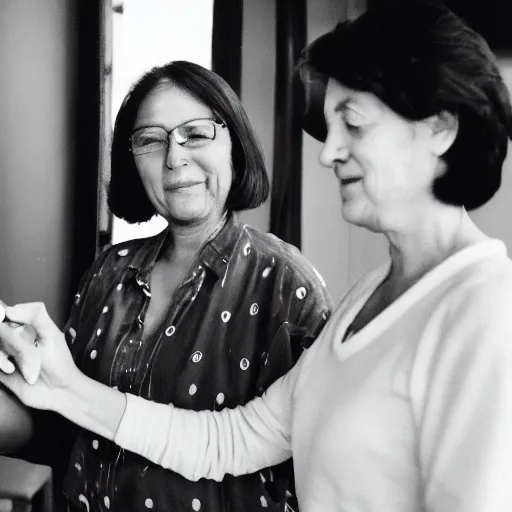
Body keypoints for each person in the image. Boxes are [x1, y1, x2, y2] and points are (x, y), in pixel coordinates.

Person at [0, 61, 332, 512]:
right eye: (150, 140)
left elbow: (320, 473)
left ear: (234, 142)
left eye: (195, 133)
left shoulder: (285, 287)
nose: (174, 157)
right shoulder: (110, 271)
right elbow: (64, 427)